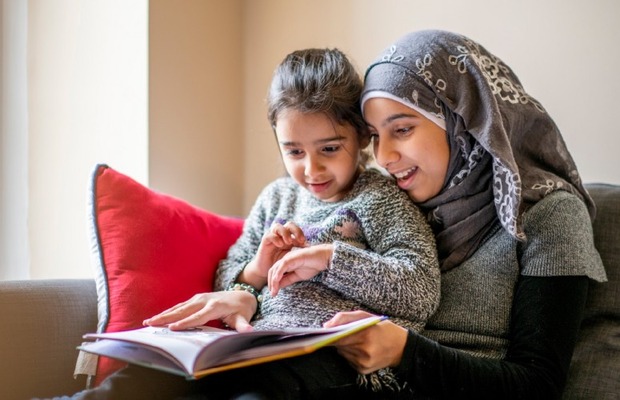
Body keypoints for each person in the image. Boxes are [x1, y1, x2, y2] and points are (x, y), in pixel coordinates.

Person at [61, 48, 439, 400]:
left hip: (332, 358)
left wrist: (329, 259)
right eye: (293, 151)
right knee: (143, 379)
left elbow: (421, 290)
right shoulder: (276, 199)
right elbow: (227, 274)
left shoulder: (382, 199)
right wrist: (258, 268)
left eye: (329, 149)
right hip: (255, 346)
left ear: (360, 138)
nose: (311, 169)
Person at [320, 29, 607, 399]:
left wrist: (404, 352)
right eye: (375, 135)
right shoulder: (388, 204)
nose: (384, 157)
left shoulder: (548, 214)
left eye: (402, 129)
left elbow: (538, 384)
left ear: (463, 122)